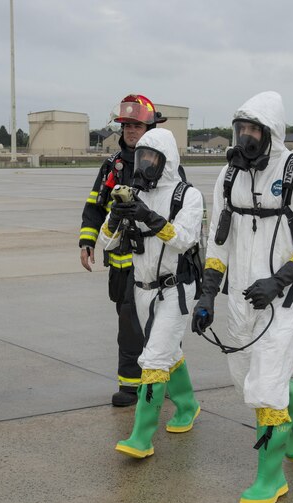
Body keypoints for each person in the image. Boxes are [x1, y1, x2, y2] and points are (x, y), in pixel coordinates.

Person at [191, 91, 293, 503]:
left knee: (266, 389)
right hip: (240, 298)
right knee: (248, 382)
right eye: (241, 129)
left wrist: (281, 279)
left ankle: (270, 478)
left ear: (272, 132)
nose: (246, 137)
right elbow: (216, 243)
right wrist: (207, 294)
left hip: (283, 300)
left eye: (254, 129)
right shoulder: (228, 177)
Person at [97, 128, 202, 458]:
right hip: (142, 289)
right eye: (141, 157)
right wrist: (116, 215)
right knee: (167, 353)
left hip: (175, 289)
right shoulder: (132, 193)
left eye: (152, 158)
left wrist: (148, 216)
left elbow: (184, 239)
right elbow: (107, 242)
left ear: (167, 160)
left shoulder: (188, 196)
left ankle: (141, 437)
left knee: (154, 359)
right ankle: (187, 405)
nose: (144, 164)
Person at [78, 94, 166, 407]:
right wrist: (86, 240)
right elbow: (94, 206)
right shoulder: (112, 166)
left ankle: (136, 385)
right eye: (126, 125)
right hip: (120, 261)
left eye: (137, 125)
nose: (130, 130)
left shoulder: (164, 165)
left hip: (153, 262)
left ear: (151, 126)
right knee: (127, 320)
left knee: (144, 322)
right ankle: (144, 379)